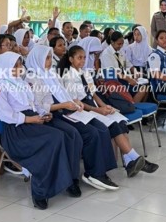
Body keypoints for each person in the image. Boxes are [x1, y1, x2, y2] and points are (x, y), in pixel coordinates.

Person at [0, 52, 83, 209]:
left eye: (20, 65)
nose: (20, 68)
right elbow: (6, 115)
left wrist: (43, 114)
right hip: (16, 129)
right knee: (53, 138)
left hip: (31, 121)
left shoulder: (20, 83)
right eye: (16, 66)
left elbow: (34, 104)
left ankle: (58, 182)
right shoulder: (0, 87)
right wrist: (30, 119)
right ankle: (40, 191)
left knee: (61, 136)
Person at [27, 45, 120, 190]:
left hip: (65, 108)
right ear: (37, 59)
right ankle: (90, 174)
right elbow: (39, 107)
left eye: (51, 57)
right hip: (51, 115)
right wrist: (65, 105)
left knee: (102, 128)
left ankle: (100, 171)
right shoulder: (33, 78)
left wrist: (74, 102)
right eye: (46, 58)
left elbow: (64, 93)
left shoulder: (52, 74)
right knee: (89, 132)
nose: (50, 61)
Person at [61, 45, 159, 175]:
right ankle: (135, 158)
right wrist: (97, 110)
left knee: (120, 121)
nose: (83, 61)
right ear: (71, 59)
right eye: (79, 58)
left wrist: (103, 106)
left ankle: (129, 161)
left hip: (94, 106)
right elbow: (76, 103)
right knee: (113, 125)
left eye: (84, 58)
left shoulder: (85, 73)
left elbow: (94, 94)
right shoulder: (68, 77)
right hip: (82, 110)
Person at [100, 31, 148, 103]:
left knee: (146, 87)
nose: (121, 46)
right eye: (119, 44)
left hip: (123, 78)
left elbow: (128, 64)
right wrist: (129, 79)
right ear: (112, 42)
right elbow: (113, 72)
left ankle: (135, 106)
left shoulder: (120, 51)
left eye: (122, 44)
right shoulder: (106, 54)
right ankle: (132, 107)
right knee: (142, 89)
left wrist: (135, 72)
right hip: (114, 82)